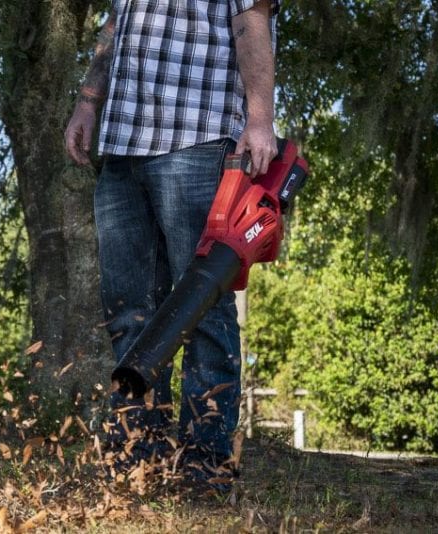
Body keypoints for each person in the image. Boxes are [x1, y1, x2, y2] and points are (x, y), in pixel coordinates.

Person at [65, 0, 280, 478]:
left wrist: (260, 120)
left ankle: (204, 465)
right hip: (122, 146)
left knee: (201, 307)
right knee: (128, 310)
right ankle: (138, 459)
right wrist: (86, 103)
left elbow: (252, 22)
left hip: (198, 140)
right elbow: (115, 28)